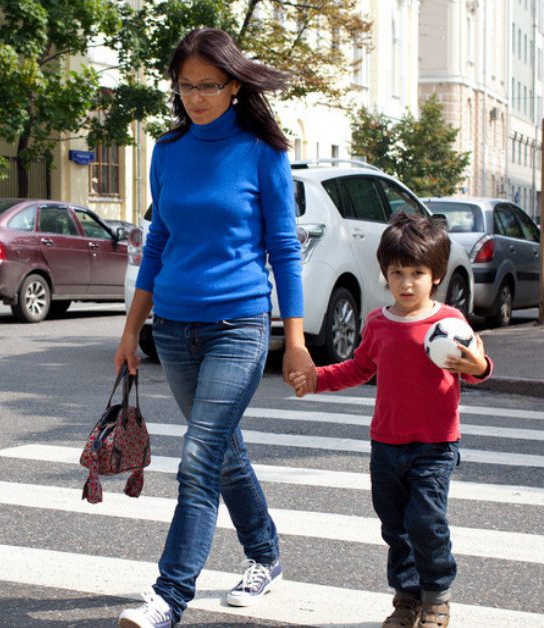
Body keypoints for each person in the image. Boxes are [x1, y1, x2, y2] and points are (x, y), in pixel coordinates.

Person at [113, 27, 315, 628]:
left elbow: (284, 248)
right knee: (223, 452)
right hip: (174, 328)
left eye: (208, 84)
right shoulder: (168, 151)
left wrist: (296, 342)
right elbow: (159, 242)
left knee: (198, 458)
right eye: (185, 85)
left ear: (234, 84)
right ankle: (266, 555)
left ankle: (168, 597)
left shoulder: (262, 152)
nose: (195, 96)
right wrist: (131, 331)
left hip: (239, 326)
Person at [288, 211, 492, 628]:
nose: (406, 283)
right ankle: (406, 597)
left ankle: (437, 595)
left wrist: (479, 364)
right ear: (385, 274)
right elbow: (358, 368)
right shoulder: (378, 323)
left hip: (434, 445)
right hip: (386, 444)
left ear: (435, 275)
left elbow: (478, 368)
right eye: (397, 272)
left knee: (426, 521)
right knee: (395, 528)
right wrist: (316, 379)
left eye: (417, 272)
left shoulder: (450, 324)